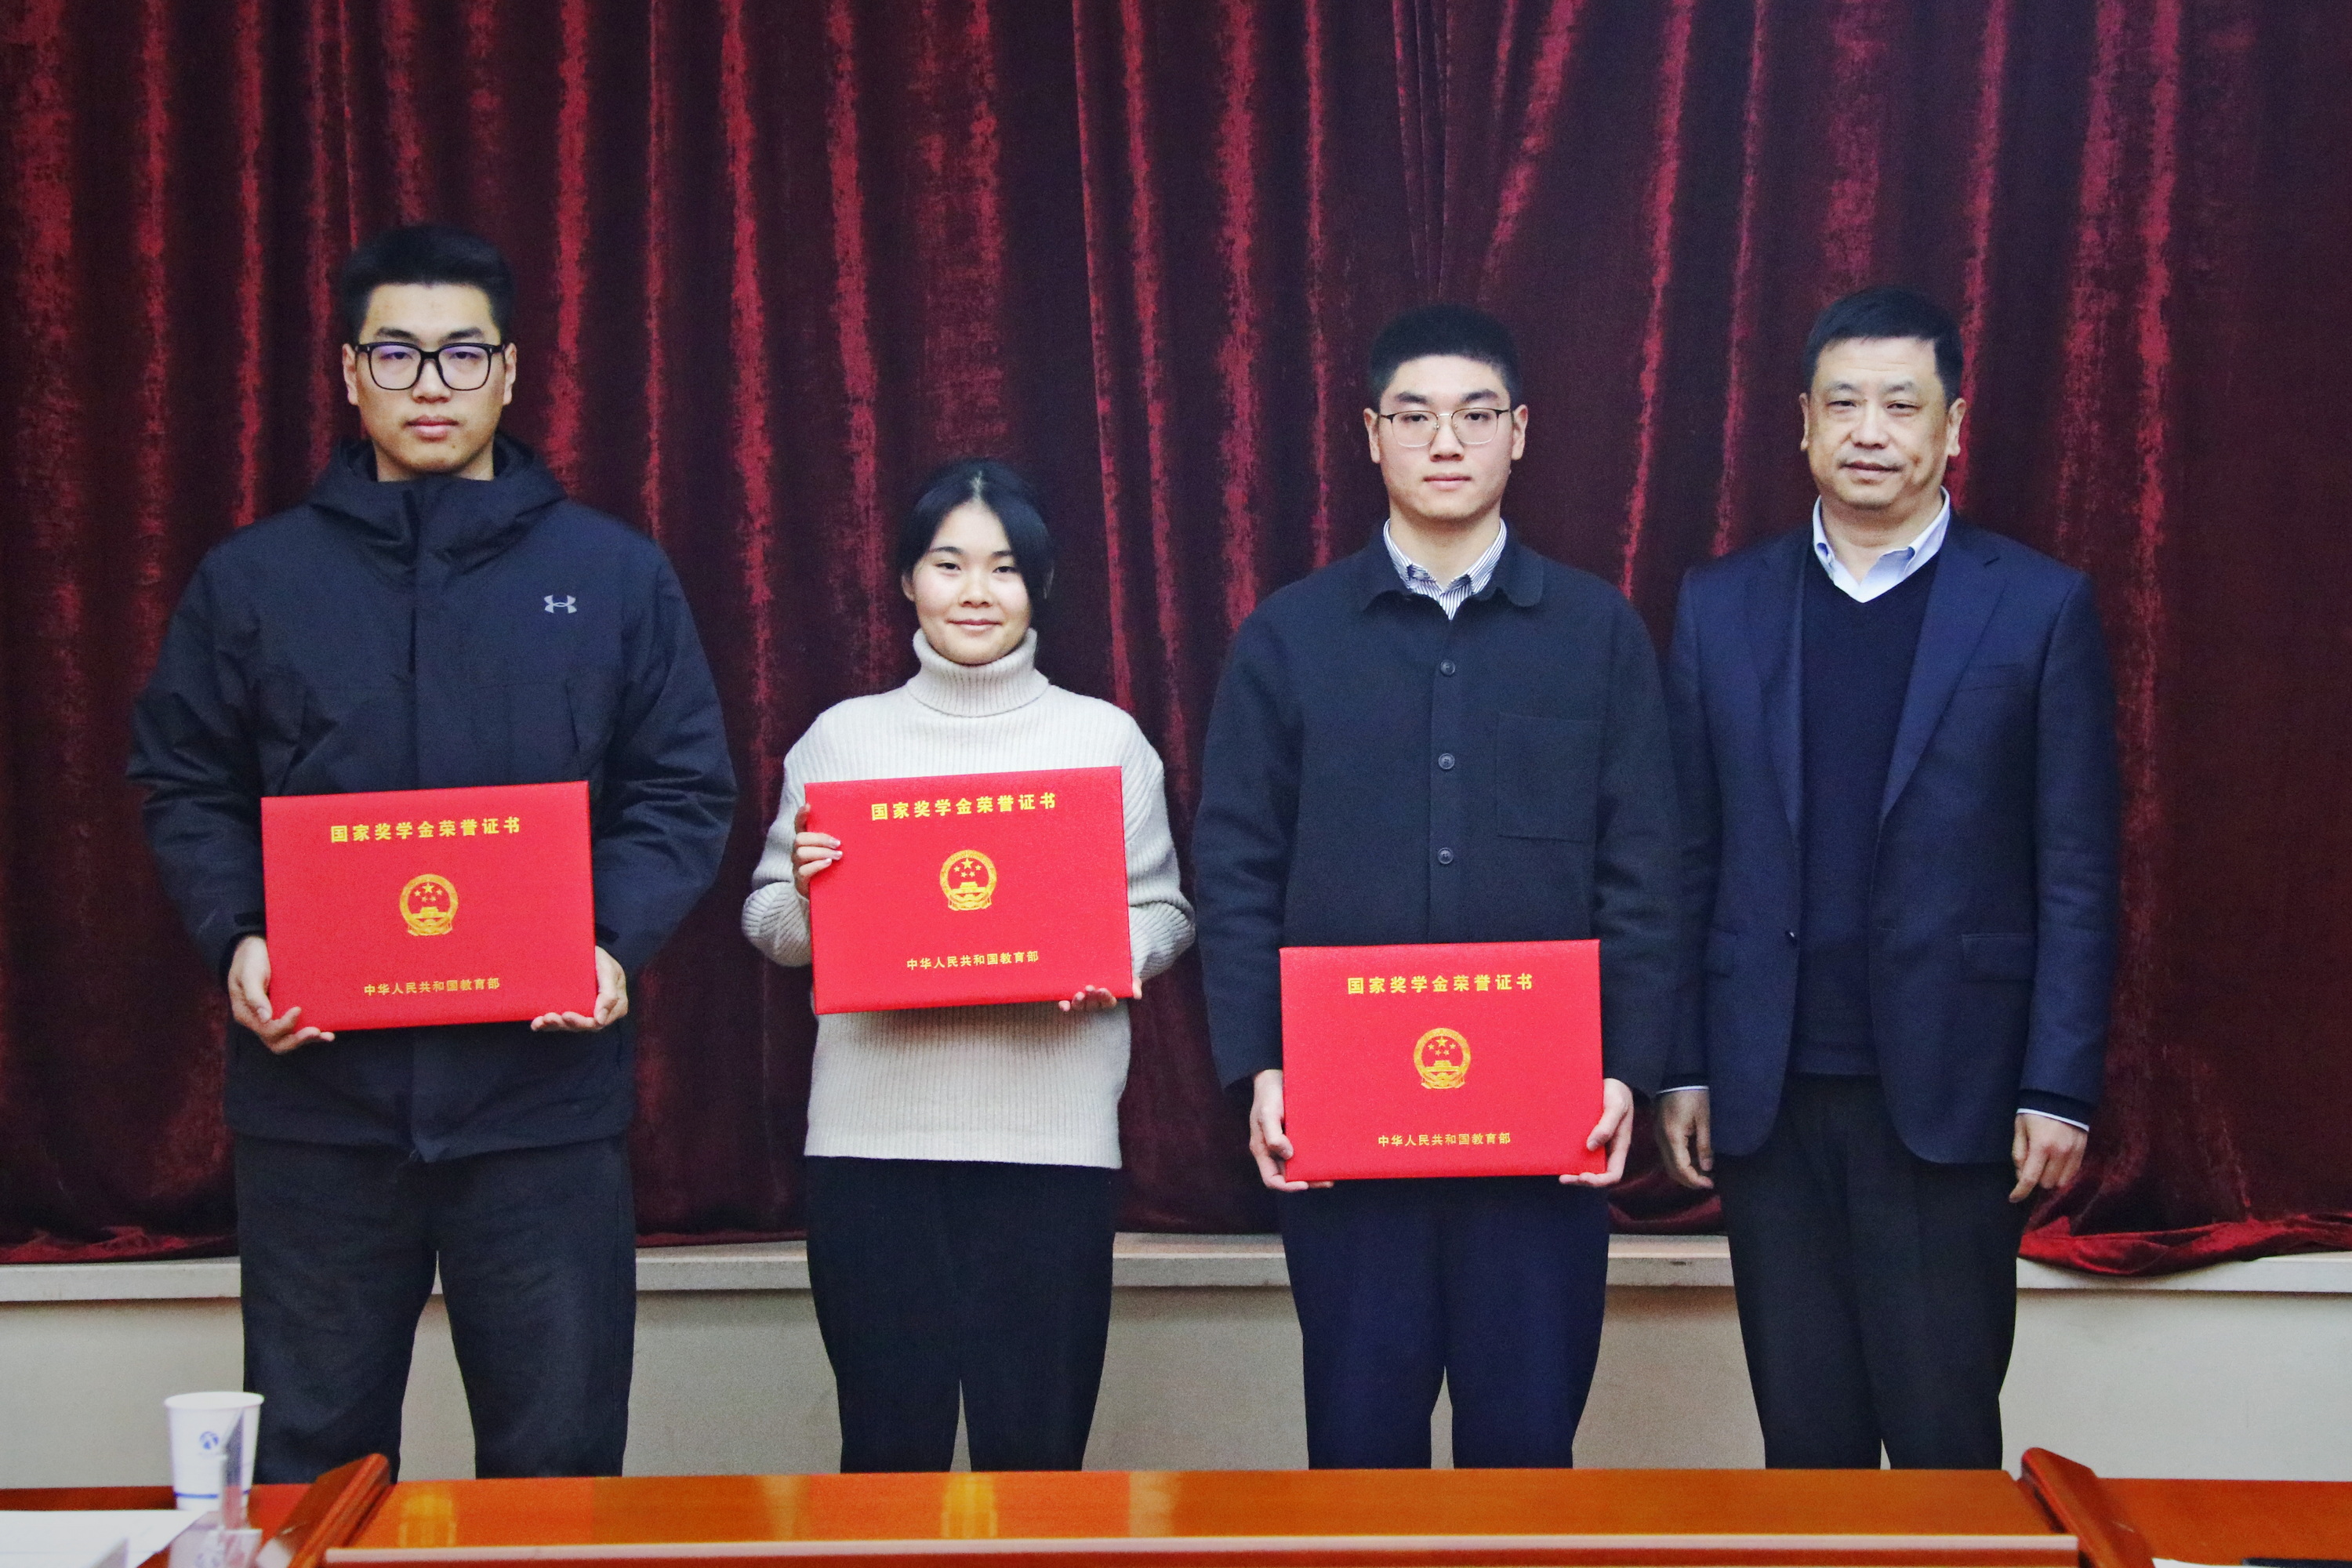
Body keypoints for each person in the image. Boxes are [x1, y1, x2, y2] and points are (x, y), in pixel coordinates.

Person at [128, 224, 735, 1481]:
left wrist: (609, 942)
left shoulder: (612, 574)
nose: (430, 386)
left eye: (462, 355)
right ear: (351, 374)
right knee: (311, 1464)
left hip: (539, 1101)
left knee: (558, 1461)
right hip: (320, 1098)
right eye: (397, 354)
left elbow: (681, 787)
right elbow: (185, 781)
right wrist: (237, 934)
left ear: (509, 372)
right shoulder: (255, 580)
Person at [1192, 304, 1679, 1468]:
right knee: (1361, 1455)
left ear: (1521, 432)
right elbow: (1238, 865)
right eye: (1414, 416)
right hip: (1348, 1116)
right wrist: (1263, 1063)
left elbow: (1645, 867)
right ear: (1372, 435)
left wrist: (1625, 1067)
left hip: (1545, 1124)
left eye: (1475, 414)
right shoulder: (1291, 636)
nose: (1446, 441)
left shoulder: (1596, 632)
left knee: (1527, 1455)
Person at [1657, 285, 2119, 1468]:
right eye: (1843, 403)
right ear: (1803, 423)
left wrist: (2058, 1086)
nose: (1870, 431)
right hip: (1768, 1090)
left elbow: (2077, 867)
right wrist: (1685, 1062)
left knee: (1942, 1436)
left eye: (1901, 405)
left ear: (1953, 427)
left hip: (1954, 1094)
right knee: (1805, 1445)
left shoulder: (2037, 605)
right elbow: (1686, 853)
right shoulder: (1721, 605)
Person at [742, 459, 1193, 1473]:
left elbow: (1166, 913)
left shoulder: (1102, 739)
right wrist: (813, 897)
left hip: (1051, 1145)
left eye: (1005, 567)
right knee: (885, 1456)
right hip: (871, 1145)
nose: (976, 592)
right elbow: (768, 920)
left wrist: (1111, 952)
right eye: (949, 565)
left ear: (1041, 584)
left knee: (1035, 1462)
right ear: (907, 579)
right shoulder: (843, 740)